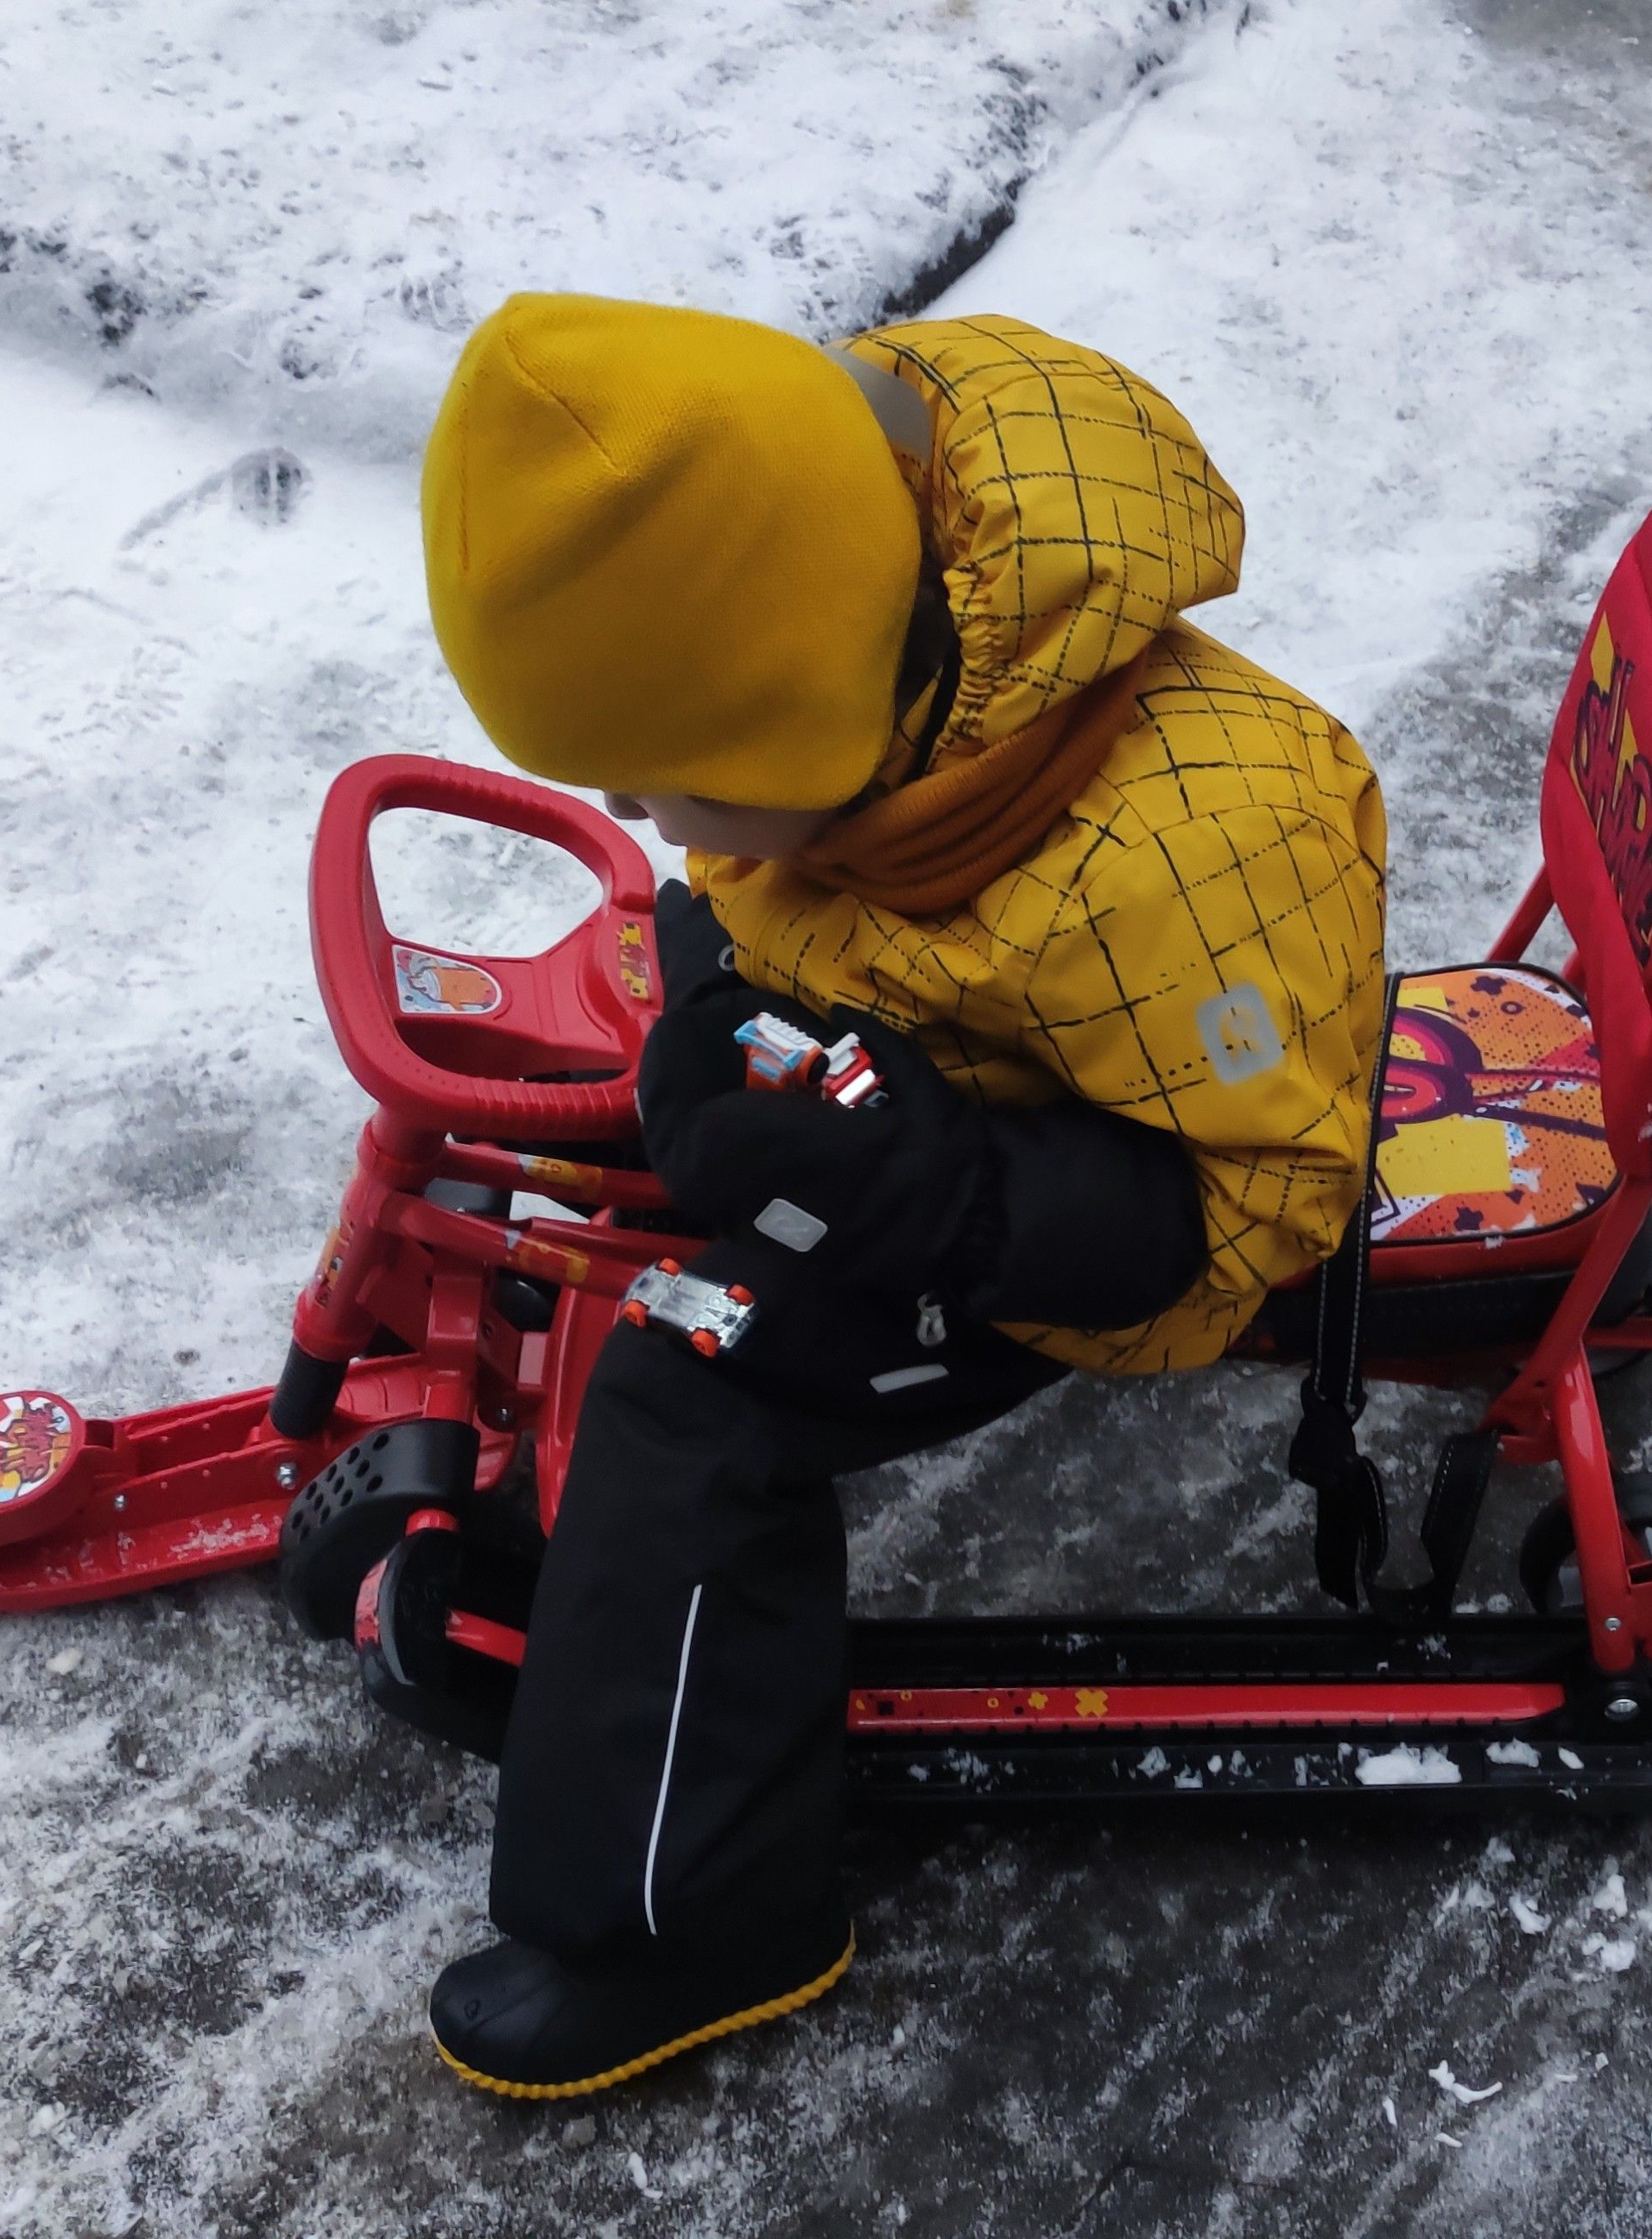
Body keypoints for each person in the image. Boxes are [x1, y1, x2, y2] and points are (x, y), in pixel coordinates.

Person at [410, 295, 1388, 2096]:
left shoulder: (1187, 858)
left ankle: (689, 1927)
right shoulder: (889, 586)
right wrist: (729, 1019)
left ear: (804, 714)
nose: (653, 816)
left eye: (677, 779)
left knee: (694, 1384)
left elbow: (1256, 1210)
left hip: (1076, 1202)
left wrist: (924, 1184)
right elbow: (790, 888)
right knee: (645, 1136)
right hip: (919, 1074)